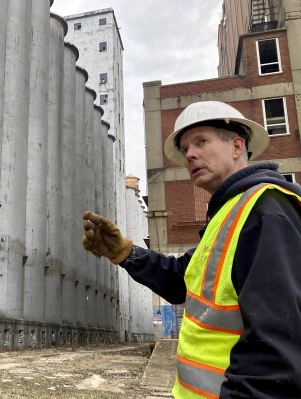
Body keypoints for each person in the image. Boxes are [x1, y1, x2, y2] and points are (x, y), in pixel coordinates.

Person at [82, 101, 301, 398]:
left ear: (237, 146)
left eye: (201, 142)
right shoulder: (228, 213)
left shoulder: (265, 211)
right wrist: (125, 252)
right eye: (185, 149)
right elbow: (182, 280)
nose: (190, 155)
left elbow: (278, 344)